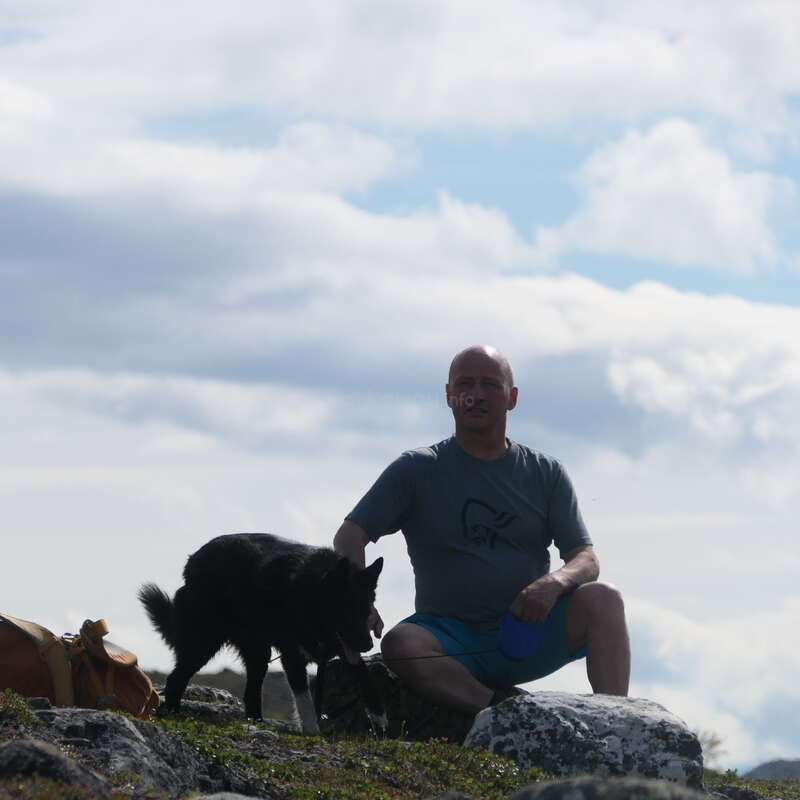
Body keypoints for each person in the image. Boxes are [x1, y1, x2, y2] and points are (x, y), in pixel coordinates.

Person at [333, 345, 630, 714]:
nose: (475, 395)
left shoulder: (545, 472)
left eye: (490, 384)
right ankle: (500, 714)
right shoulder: (418, 469)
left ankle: (619, 721)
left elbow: (585, 558)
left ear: (512, 398)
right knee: (401, 644)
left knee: (605, 598)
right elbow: (350, 535)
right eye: (465, 384)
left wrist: (554, 584)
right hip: (449, 638)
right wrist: (358, 603)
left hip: (526, 632)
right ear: (449, 395)